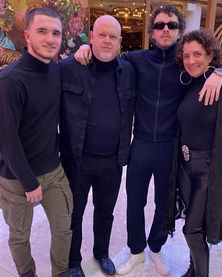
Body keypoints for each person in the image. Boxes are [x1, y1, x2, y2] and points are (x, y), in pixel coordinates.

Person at [74, 5, 222, 276]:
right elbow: (108, 57)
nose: (165, 30)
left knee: (164, 205)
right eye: (159, 25)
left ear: (179, 31)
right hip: (141, 144)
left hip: (170, 148)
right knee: (134, 201)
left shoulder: (186, 63)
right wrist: (86, 50)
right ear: (152, 31)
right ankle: (137, 251)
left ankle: (156, 248)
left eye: (171, 25)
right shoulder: (137, 60)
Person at [59, 15, 135, 277]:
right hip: (77, 160)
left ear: (120, 42)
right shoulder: (68, 67)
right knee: (74, 215)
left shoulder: (129, 72)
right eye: (101, 35)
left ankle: (101, 253)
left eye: (112, 37)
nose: (106, 40)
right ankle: (72, 261)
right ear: (90, 37)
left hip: (112, 161)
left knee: (105, 213)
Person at [0, 7, 73, 277]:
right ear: (28, 35)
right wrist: (29, 182)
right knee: (20, 235)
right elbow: (7, 140)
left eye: (56, 33)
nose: (50, 39)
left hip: (53, 171)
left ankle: (61, 271)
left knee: (64, 227)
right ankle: (27, 273)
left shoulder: (55, 70)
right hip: (17, 178)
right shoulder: (10, 80)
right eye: (42, 31)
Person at [166, 29, 222, 277]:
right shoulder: (188, 83)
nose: (191, 60)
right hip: (185, 168)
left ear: (211, 55)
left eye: (198, 54)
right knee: (195, 228)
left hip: (209, 171)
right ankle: (195, 268)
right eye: (186, 55)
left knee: (192, 230)